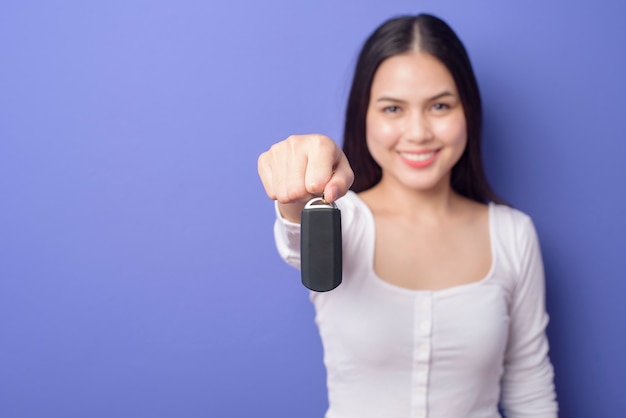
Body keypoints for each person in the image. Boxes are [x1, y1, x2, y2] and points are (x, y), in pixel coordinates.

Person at [257, 13, 557, 418]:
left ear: (468, 110)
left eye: (439, 105)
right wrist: (296, 197)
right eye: (393, 108)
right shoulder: (342, 222)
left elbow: (530, 390)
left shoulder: (513, 234)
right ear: (364, 115)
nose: (417, 132)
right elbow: (296, 241)